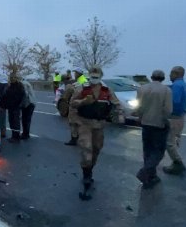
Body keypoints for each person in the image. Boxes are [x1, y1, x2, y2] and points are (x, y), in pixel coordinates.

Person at [69, 66, 124, 200]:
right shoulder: (82, 88)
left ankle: (90, 169)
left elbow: (116, 103)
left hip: (99, 125)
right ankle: (86, 175)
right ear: (89, 75)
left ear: (101, 76)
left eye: (97, 75)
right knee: (86, 148)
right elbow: (72, 103)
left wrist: (120, 114)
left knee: (97, 148)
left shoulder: (107, 90)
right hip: (85, 123)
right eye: (92, 75)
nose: (94, 78)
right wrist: (83, 101)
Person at [136, 70, 173, 188]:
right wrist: (165, 120)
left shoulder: (142, 89)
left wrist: (140, 117)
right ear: (163, 78)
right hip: (159, 124)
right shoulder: (166, 90)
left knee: (147, 150)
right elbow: (168, 109)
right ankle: (145, 172)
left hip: (145, 123)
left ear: (151, 77)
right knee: (158, 151)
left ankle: (151, 176)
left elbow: (138, 106)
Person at [163, 66, 186, 176]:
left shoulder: (177, 86)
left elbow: (174, 102)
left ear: (176, 74)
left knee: (169, 142)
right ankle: (176, 163)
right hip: (181, 117)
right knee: (175, 139)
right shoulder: (184, 85)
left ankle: (178, 163)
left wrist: (165, 113)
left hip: (174, 117)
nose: (169, 76)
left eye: (171, 73)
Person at [2, 74, 26, 142]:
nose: (12, 79)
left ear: (16, 78)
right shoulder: (9, 86)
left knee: (16, 121)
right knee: (11, 121)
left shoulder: (19, 86)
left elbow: (23, 96)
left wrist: (19, 105)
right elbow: (6, 95)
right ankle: (13, 136)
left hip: (16, 107)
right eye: (11, 78)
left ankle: (16, 136)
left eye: (13, 78)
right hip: (10, 107)